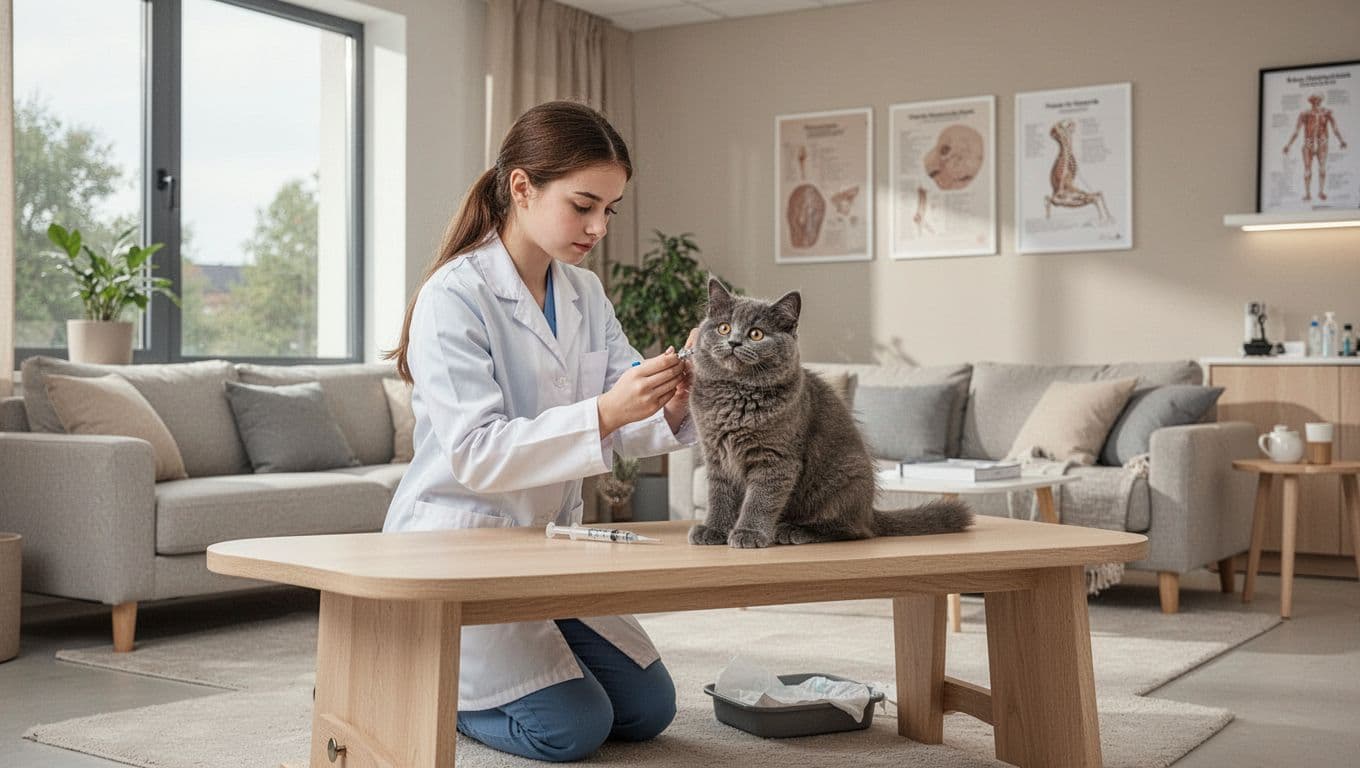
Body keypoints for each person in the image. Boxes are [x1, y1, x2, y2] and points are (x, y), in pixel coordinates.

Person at [382, 101, 698, 761]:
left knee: (648, 710)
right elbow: (476, 455)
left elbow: (624, 415)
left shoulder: (584, 293)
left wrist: (672, 396)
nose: (598, 226)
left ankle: (542, 655)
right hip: (459, 546)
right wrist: (608, 411)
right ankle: (435, 692)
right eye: (583, 205)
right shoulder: (454, 296)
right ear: (522, 187)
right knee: (571, 729)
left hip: (547, 546)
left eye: (608, 210)